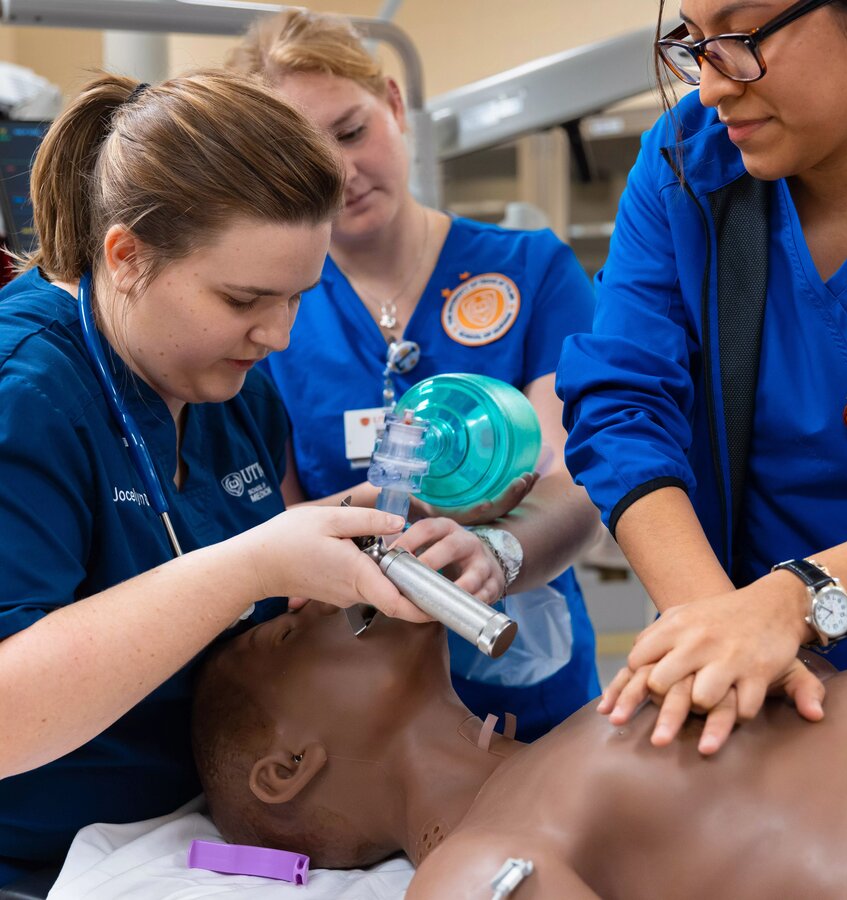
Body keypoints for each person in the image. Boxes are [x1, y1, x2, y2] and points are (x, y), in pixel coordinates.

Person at [0, 70, 440, 888]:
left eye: (299, 298)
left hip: (194, 835)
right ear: (125, 256)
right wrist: (255, 561)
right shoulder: (26, 394)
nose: (276, 335)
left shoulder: (231, 385)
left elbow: (244, 570)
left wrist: (348, 541)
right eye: (243, 299)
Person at [227, 9, 602, 741]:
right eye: (306, 156)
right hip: (359, 701)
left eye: (351, 130)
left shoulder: (533, 272)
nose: (340, 172)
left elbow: (573, 477)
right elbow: (284, 530)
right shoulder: (274, 317)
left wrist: (497, 550)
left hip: (529, 673)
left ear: (394, 106)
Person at [556, 0, 847, 754]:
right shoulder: (689, 162)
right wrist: (716, 623)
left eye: (741, 38)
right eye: (693, 41)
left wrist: (792, 603)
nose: (710, 86)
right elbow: (621, 403)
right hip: (755, 681)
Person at [192, 605, 847, 899]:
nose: (317, 603)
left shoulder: (569, 738)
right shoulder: (473, 865)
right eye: (284, 636)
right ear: (288, 767)